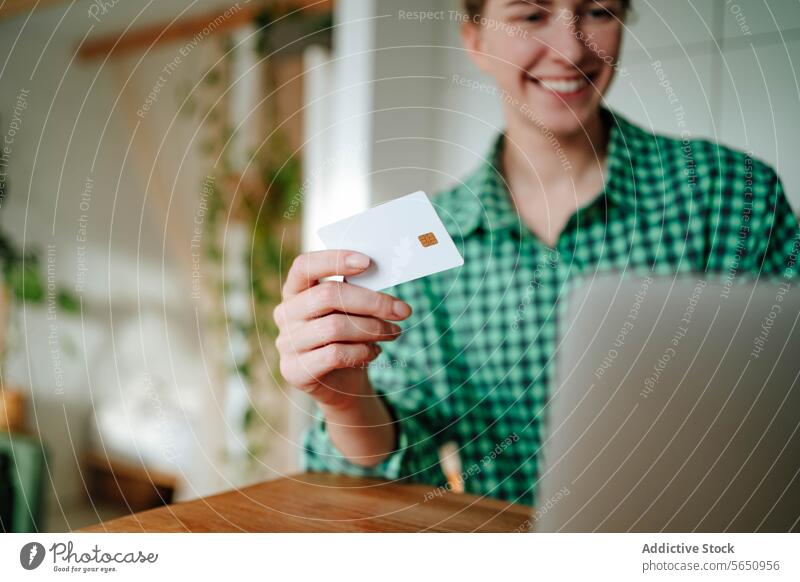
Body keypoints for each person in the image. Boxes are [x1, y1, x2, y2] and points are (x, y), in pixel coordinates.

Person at [273, 0, 800, 505]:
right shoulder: (425, 245)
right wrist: (345, 399)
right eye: (530, 15)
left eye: (597, 10)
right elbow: (405, 478)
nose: (570, 48)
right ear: (475, 39)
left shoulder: (733, 194)